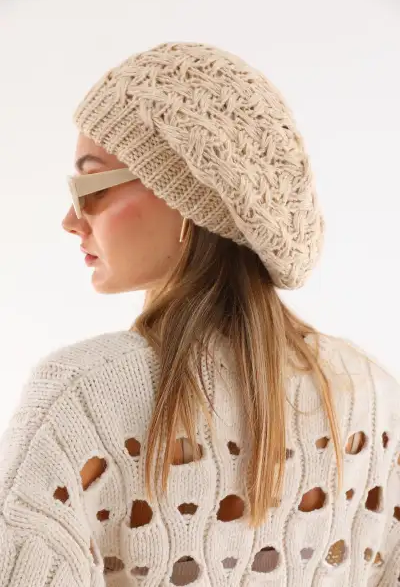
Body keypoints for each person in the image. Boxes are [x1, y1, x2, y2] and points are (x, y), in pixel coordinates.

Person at [0, 42, 399, 587]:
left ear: (186, 200)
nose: (71, 218)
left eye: (90, 186)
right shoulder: (372, 398)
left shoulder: (83, 400)